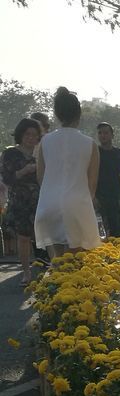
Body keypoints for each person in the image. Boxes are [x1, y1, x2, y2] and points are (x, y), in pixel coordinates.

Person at [34, 86, 101, 255]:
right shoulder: (89, 143)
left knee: (58, 264)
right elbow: (92, 184)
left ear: (56, 114)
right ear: (79, 114)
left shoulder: (45, 141)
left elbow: (41, 177)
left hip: (48, 203)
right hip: (77, 203)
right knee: (76, 264)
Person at [2, 117, 43, 284]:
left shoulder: (41, 152)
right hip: (20, 201)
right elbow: (7, 178)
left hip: (41, 199)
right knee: (24, 237)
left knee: (44, 236)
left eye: (34, 134)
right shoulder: (10, 153)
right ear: (20, 134)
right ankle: (26, 272)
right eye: (27, 134)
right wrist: (24, 170)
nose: (31, 138)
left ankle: (51, 268)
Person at [94, 122, 120, 237]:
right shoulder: (95, 152)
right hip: (99, 195)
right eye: (100, 133)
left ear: (112, 135)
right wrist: (92, 196)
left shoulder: (117, 152)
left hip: (114, 195)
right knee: (100, 230)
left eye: (105, 133)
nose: (102, 136)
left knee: (115, 227)